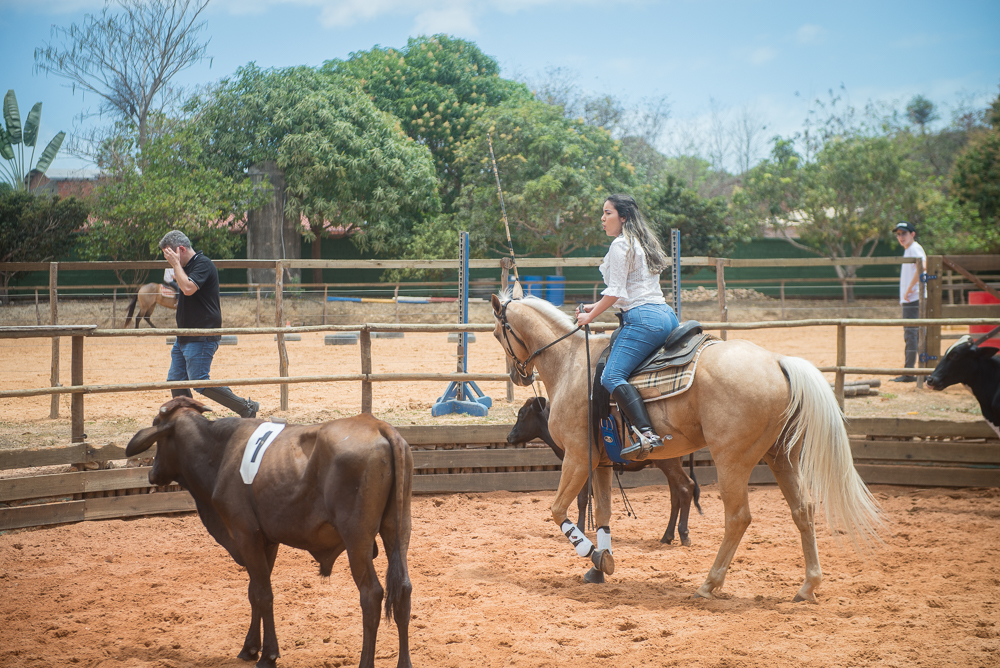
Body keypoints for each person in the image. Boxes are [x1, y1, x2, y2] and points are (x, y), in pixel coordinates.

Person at [576, 194, 678, 459]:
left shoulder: (621, 245)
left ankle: (647, 433)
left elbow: (616, 291)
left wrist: (590, 317)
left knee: (610, 376)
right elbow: (625, 292)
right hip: (666, 316)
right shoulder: (642, 243)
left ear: (623, 217)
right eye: (603, 213)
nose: (603, 218)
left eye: (608, 213)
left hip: (643, 319)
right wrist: (594, 306)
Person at [160, 230, 259, 417]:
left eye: (171, 255)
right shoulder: (186, 267)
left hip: (202, 334)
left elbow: (188, 288)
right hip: (185, 335)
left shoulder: (203, 264)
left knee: (199, 381)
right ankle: (190, 420)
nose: (170, 260)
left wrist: (175, 265)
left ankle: (245, 407)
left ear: (181, 249)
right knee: (175, 379)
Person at [892, 220, 926, 383]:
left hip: (913, 299)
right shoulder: (909, 249)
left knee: (911, 334)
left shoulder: (914, 248)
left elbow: (924, 265)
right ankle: (914, 370)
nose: (900, 237)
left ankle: (910, 372)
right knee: (913, 333)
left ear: (912, 234)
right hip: (911, 299)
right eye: (898, 234)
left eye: (903, 233)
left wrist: (910, 289)